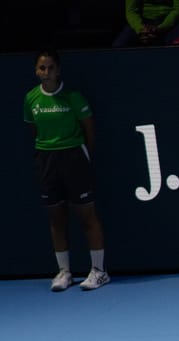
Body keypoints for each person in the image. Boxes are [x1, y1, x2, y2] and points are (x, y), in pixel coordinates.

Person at [23, 50, 110, 291]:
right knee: (56, 218)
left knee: (86, 216)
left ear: (59, 70)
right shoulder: (31, 99)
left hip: (74, 157)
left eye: (51, 68)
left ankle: (99, 271)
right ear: (36, 71)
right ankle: (64, 272)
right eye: (42, 68)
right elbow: (33, 131)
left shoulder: (74, 97)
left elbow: (89, 129)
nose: (46, 73)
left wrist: (84, 156)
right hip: (46, 160)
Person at [113, 0, 179, 47]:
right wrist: (141, 29)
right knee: (119, 46)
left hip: (169, 21)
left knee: (177, 46)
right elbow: (131, 11)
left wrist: (161, 28)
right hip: (143, 23)